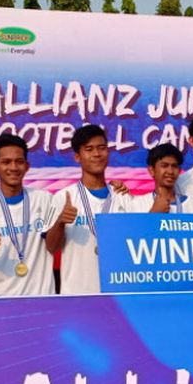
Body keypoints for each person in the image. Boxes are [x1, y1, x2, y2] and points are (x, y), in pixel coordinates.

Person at [44, 125, 131, 294]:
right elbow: (51, 247)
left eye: (102, 148)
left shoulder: (123, 197)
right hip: (77, 293)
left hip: (118, 293)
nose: (97, 154)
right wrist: (60, 222)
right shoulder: (64, 197)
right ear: (77, 157)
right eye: (89, 149)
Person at [0, 134, 55, 295]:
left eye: (19, 162)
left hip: (40, 299)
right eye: (6, 162)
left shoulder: (45, 200)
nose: (13, 167)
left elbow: (55, 244)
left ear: (27, 166)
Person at [128, 143, 193, 213]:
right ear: (152, 170)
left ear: (179, 171)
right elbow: (133, 226)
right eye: (164, 166)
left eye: (174, 166)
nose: (170, 171)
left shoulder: (191, 204)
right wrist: (153, 214)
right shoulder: (139, 203)